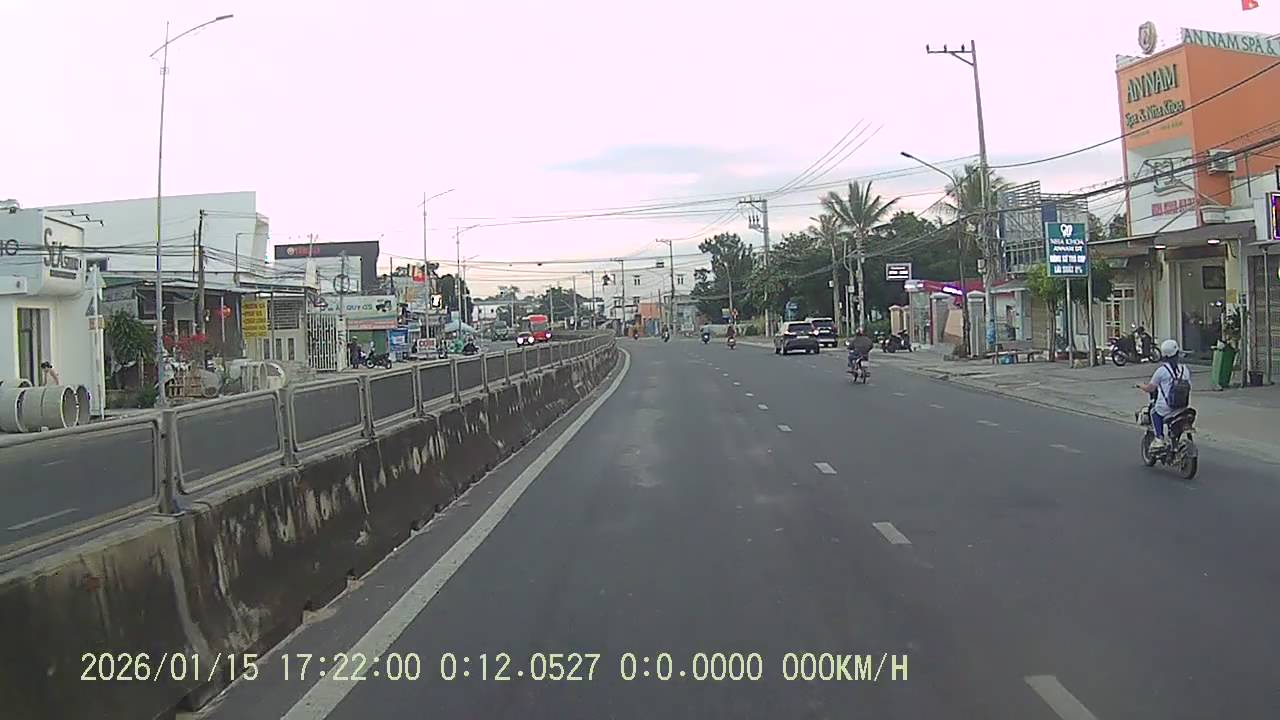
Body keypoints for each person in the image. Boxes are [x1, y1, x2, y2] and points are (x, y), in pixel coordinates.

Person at [1137, 339, 1191, 451]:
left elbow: (1151, 388)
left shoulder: (1161, 371)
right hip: (1183, 407)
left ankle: (1159, 438)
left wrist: (1141, 386)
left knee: (1153, 412)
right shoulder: (1184, 369)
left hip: (1166, 407)